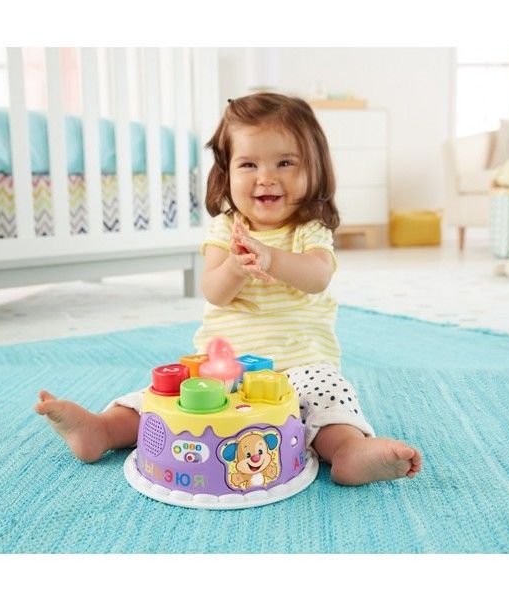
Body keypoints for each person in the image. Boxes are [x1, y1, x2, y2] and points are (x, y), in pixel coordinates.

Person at [35, 92, 422, 486]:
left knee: (330, 400)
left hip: (300, 367)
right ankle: (102, 430)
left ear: (315, 169)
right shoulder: (226, 228)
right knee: (163, 400)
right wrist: (236, 267)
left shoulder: (310, 228)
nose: (266, 177)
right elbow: (214, 291)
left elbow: (318, 276)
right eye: (249, 164)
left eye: (285, 163)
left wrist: (271, 258)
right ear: (226, 173)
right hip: (222, 371)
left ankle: (348, 451)